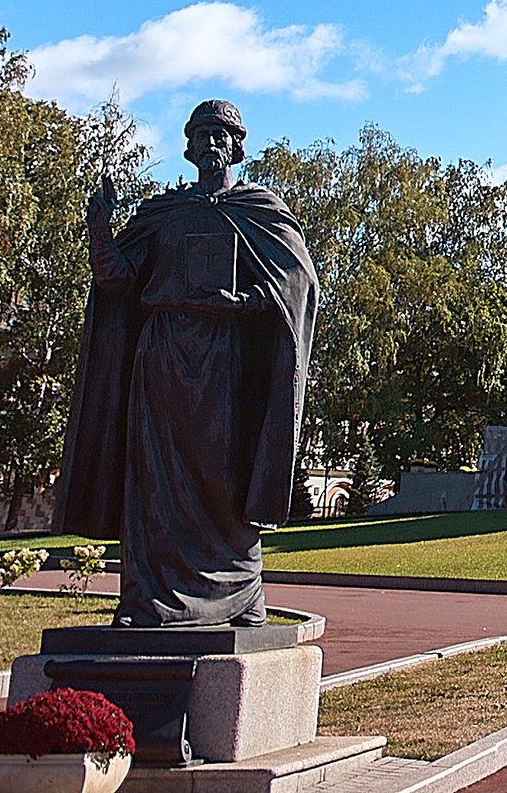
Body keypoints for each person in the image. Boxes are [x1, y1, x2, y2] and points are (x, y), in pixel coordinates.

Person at [56, 100, 319, 628]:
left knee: (225, 476)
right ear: (189, 146)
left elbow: (299, 285)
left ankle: (242, 595)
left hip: (225, 364)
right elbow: (120, 282)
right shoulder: (164, 215)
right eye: (201, 134)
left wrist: (242, 305)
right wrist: (100, 226)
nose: (210, 143)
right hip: (162, 361)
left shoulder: (259, 211)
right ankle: (145, 601)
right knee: (154, 483)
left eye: (220, 134)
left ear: (237, 146)